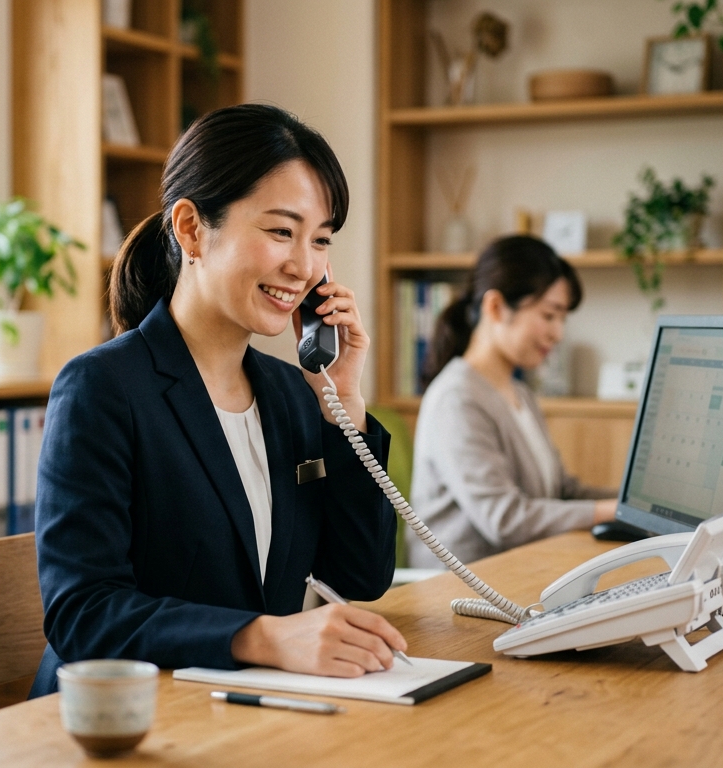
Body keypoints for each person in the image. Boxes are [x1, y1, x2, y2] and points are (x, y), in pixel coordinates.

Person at [30, 104, 405, 698]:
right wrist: (265, 638)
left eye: (321, 240)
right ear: (191, 229)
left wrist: (344, 402)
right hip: (119, 724)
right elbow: (83, 614)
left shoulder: (291, 394)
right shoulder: (102, 388)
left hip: (245, 711)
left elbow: (360, 575)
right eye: (281, 231)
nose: (303, 266)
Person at [407, 235, 617, 567]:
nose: (558, 333)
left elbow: (561, 490)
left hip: (522, 573)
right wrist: (615, 511)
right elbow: (504, 519)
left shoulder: (520, 394)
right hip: (463, 594)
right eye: (549, 316)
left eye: (562, 319)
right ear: (495, 307)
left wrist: (635, 504)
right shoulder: (457, 398)